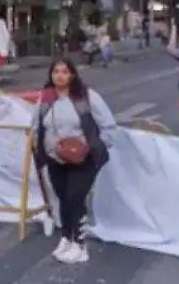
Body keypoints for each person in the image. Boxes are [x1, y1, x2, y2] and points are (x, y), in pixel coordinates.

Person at [32, 59, 117, 263]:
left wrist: (92, 147)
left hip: (83, 160)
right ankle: (66, 237)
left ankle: (80, 245)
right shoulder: (45, 97)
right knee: (62, 198)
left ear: (72, 74)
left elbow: (108, 126)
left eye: (65, 71)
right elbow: (36, 125)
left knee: (75, 198)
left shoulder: (86, 96)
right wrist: (39, 146)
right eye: (56, 72)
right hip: (55, 159)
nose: (60, 76)